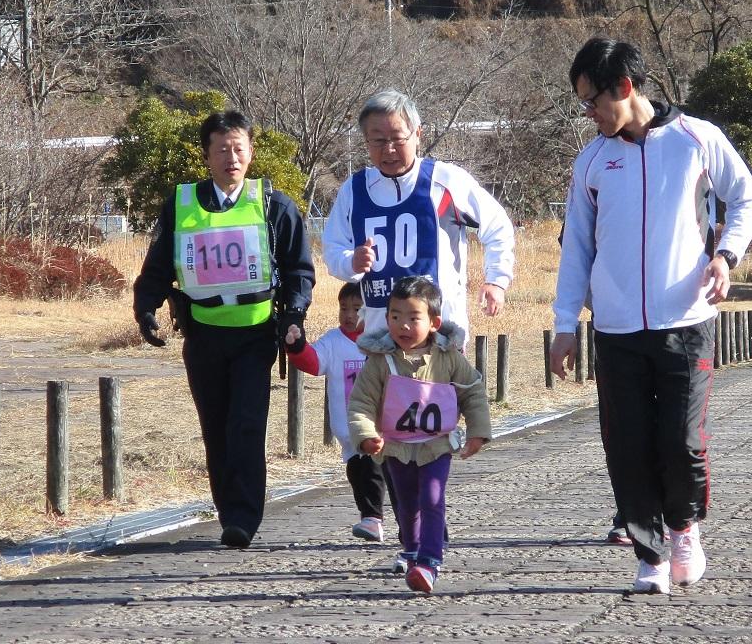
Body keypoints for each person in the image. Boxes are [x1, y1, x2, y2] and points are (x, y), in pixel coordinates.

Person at [549, 37, 752, 595]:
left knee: (682, 440)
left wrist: (726, 255)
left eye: (593, 100)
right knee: (628, 444)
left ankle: (684, 529)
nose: (589, 113)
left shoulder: (697, 139)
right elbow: (576, 249)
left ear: (625, 88)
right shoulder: (592, 161)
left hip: (686, 322)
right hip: (616, 329)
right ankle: (649, 554)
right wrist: (565, 325)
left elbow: (746, 197)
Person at [133, 111, 315, 549]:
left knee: (247, 424)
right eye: (222, 150)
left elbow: (299, 271)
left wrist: (292, 316)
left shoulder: (275, 205)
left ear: (251, 152)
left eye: (239, 148)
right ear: (207, 156)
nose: (231, 158)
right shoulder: (181, 204)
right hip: (203, 334)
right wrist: (146, 306)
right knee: (216, 426)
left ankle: (243, 517)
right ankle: (227, 509)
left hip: (255, 334)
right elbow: (158, 264)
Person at [322, 89, 515, 340]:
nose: (389, 149)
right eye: (378, 140)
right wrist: (351, 262)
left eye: (397, 139)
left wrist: (497, 281)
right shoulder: (354, 190)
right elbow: (333, 249)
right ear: (366, 141)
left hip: (442, 336)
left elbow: (498, 227)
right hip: (380, 340)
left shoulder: (445, 180)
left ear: (418, 134)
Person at [347, 276, 492, 594]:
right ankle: (411, 550)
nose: (403, 325)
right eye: (395, 316)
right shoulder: (379, 362)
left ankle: (429, 561)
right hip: (396, 447)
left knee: (432, 497)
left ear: (434, 322)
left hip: (435, 445)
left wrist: (478, 432)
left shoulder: (449, 357)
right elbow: (361, 402)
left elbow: (473, 392)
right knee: (406, 503)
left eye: (413, 318)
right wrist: (366, 435)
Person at [284, 283, 391, 543]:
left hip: (382, 425)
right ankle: (372, 517)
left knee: (382, 470)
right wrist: (296, 345)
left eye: (357, 308)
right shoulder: (333, 341)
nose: (349, 315)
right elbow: (313, 362)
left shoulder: (383, 341)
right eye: (344, 308)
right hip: (350, 427)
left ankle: (383, 519)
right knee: (358, 471)